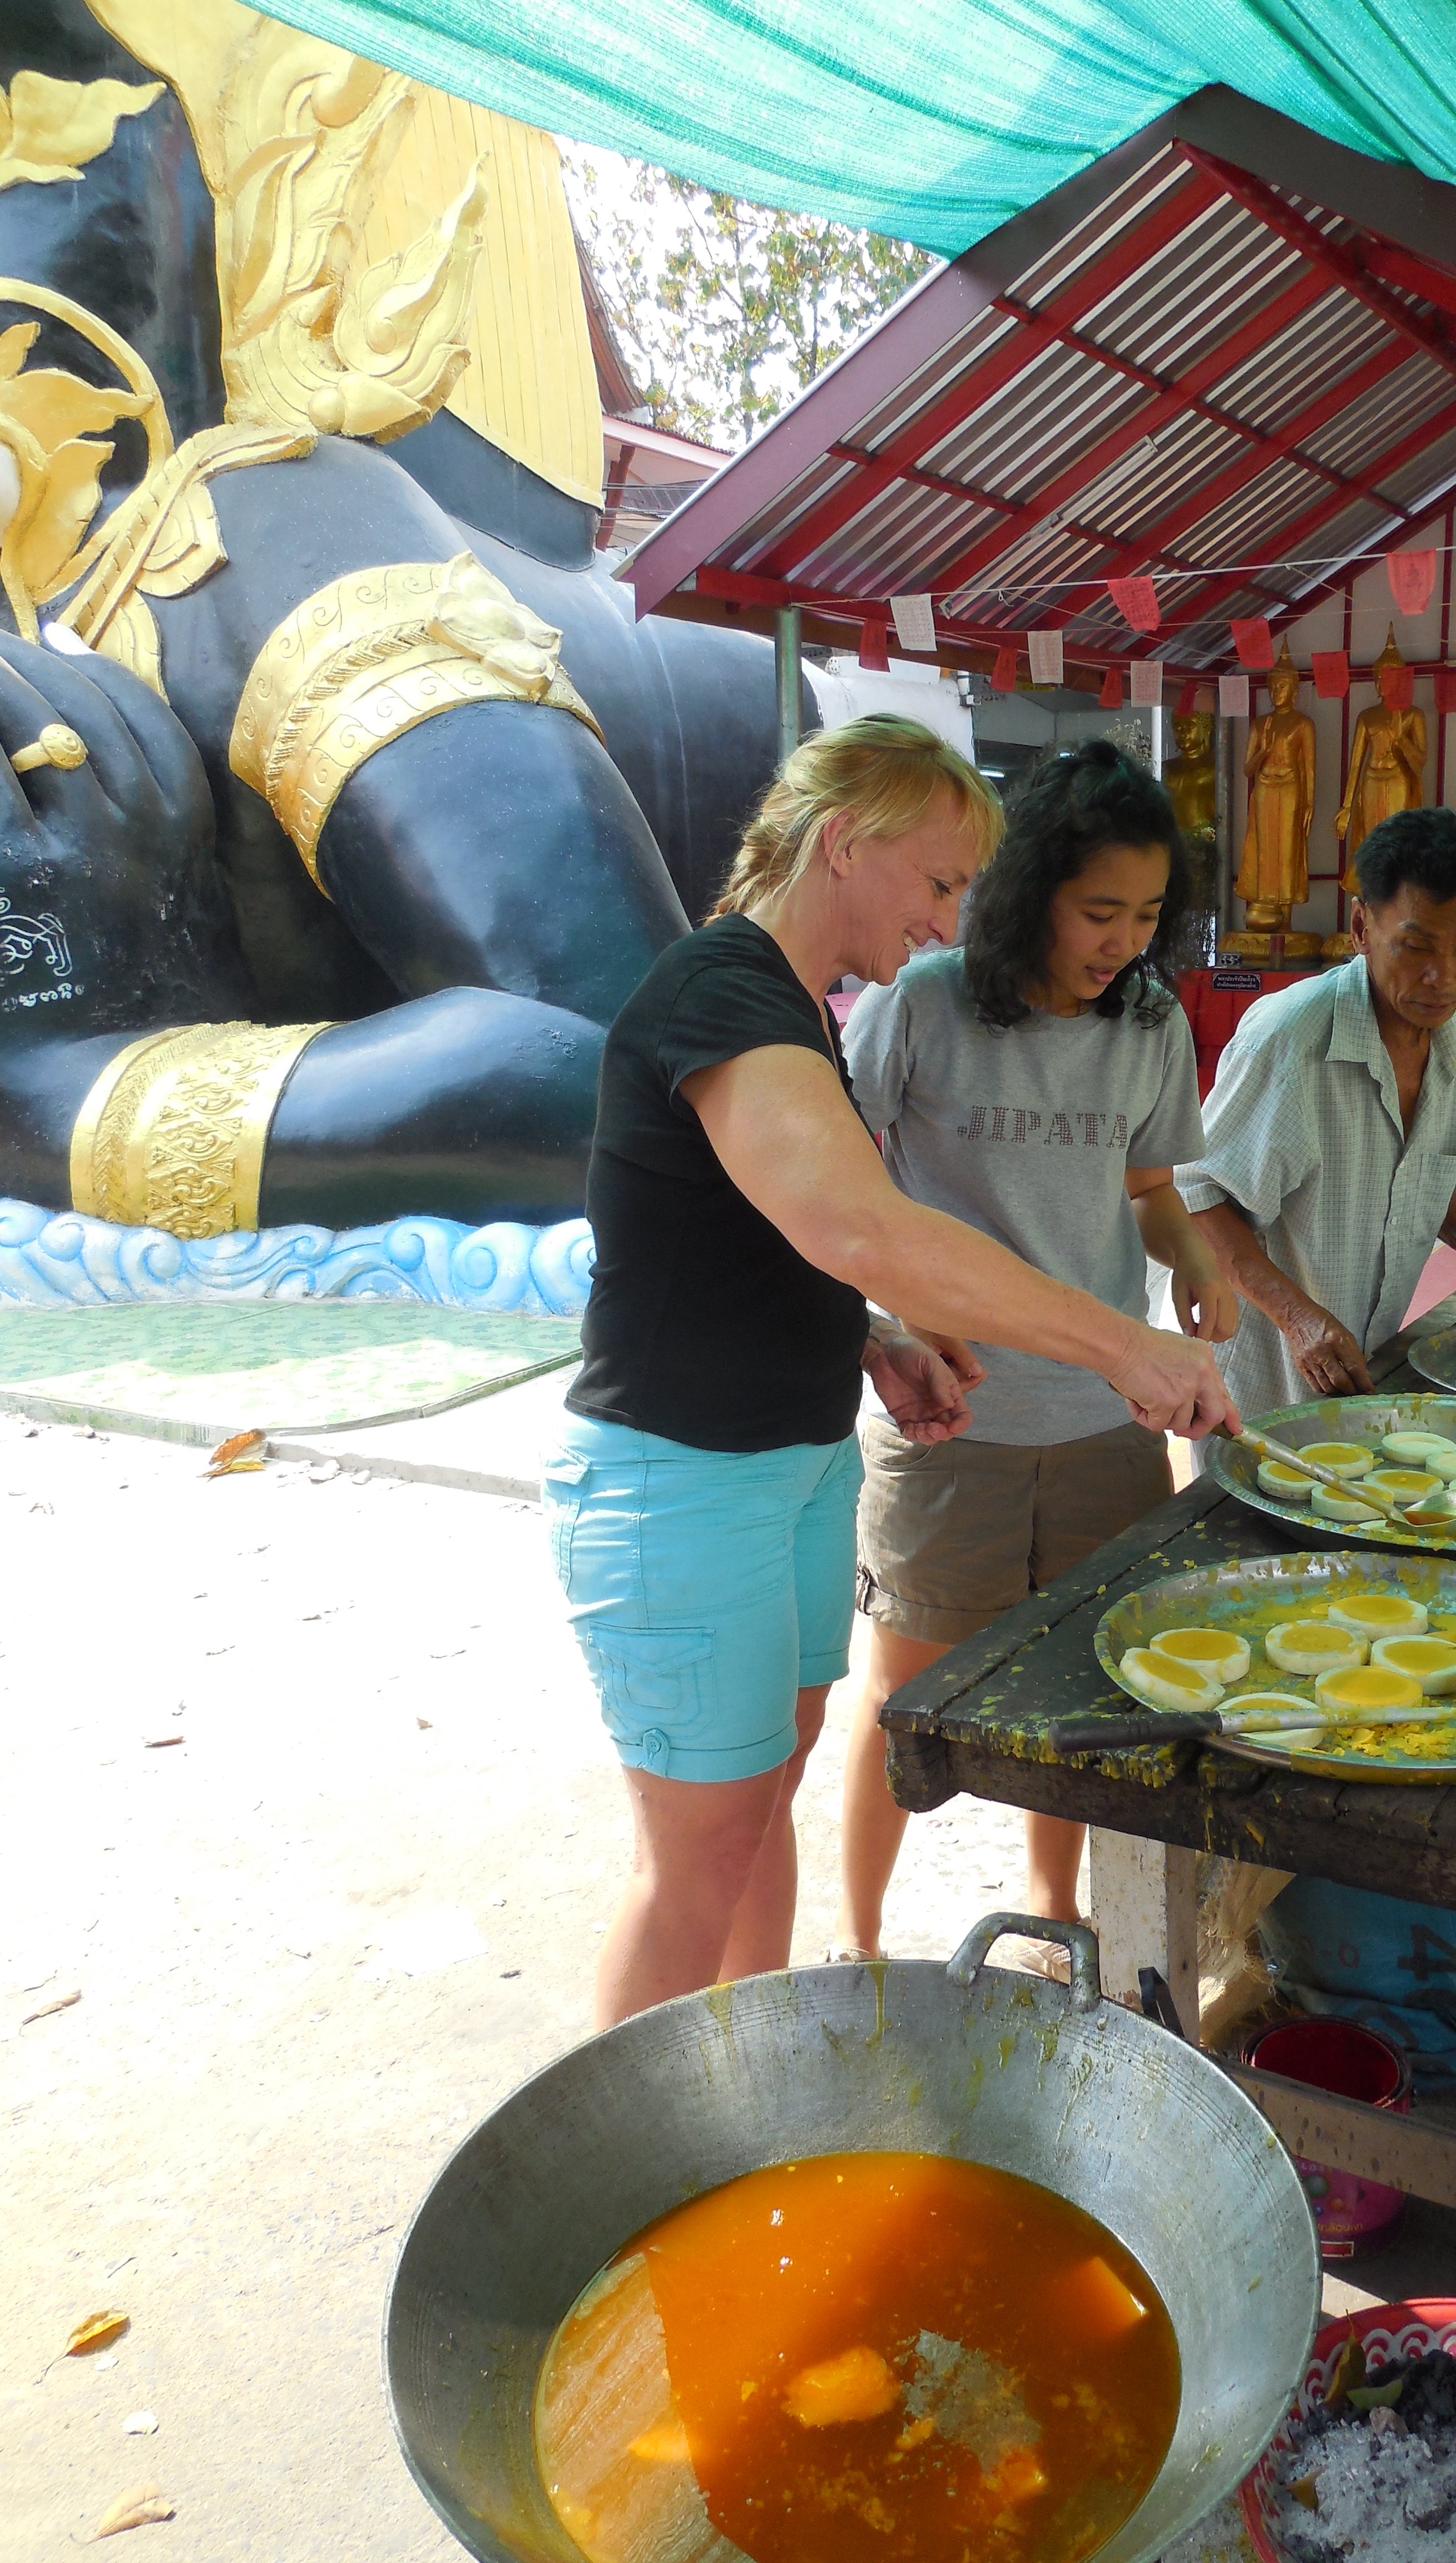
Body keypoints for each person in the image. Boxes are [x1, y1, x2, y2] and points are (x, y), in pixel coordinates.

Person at [546, 718, 1238, 2027]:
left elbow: (763, 1236)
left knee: (760, 1806)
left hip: (789, 1463)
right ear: (841, 844)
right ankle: (628, 2141)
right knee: (693, 1864)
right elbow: (862, 1226)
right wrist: (1122, 1343)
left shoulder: (795, 1009)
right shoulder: (720, 990)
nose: (951, 917)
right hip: (683, 1484)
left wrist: (872, 1340)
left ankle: (747, 2084)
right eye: (936, 881)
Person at [835, 741, 1238, 1965]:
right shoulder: (924, 1004)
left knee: (1084, 1681)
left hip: (1107, 1420)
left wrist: (1194, 1258)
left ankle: (1055, 1909)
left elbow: (1150, 1187)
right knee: (905, 1695)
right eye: (1099, 909)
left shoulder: (1150, 1021)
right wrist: (887, 1319)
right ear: (1026, 893)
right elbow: (836, 1188)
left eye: (1149, 914)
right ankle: (858, 1943)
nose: (1124, 940)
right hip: (949, 1420)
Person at [1181, 805, 1456, 1414]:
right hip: (1257, 1367)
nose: (1444, 977)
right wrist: (1296, 1317)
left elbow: (1419, 1169)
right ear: (1361, 927)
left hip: (1366, 1356)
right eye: (1416, 947)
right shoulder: (1290, 1039)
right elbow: (1197, 1196)